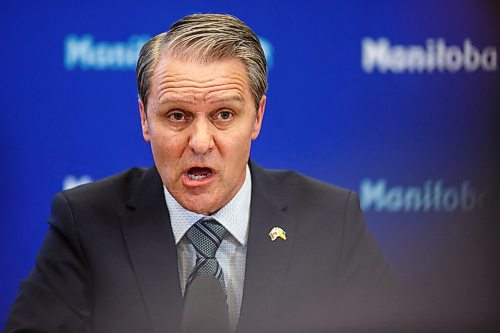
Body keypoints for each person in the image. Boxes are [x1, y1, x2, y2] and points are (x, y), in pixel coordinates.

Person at [4, 13, 398, 333]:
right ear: (144, 119)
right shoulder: (86, 222)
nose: (200, 142)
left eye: (223, 115)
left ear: (257, 117)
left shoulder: (330, 220)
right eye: (177, 116)